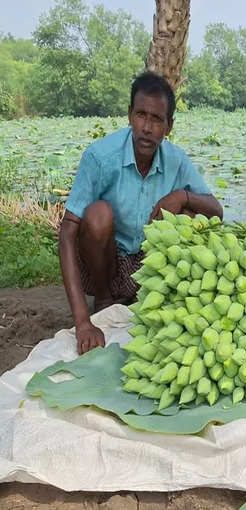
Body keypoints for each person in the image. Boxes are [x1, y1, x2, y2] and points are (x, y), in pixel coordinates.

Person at [59, 71, 222, 355]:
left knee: (192, 214)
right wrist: (82, 322)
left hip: (148, 264)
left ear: (169, 126)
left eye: (157, 119)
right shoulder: (100, 157)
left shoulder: (176, 160)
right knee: (98, 214)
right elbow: (67, 234)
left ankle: (158, 296)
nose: (147, 127)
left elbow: (216, 212)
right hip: (104, 264)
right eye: (141, 115)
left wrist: (180, 196)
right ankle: (105, 299)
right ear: (129, 115)